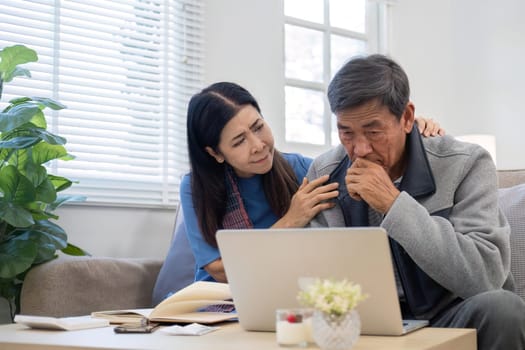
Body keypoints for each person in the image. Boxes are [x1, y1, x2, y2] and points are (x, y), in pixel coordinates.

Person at [305, 54, 525, 349]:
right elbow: (312, 276)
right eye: (346, 132)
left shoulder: (466, 163)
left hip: (449, 317)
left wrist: (395, 205)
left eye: (373, 131)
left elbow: (485, 276)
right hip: (365, 328)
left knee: (503, 310)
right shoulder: (325, 172)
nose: (359, 149)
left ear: (407, 117)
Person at [181, 81, 444, 283]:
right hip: (215, 303)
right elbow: (219, 270)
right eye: (239, 141)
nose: (258, 145)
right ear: (214, 153)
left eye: (259, 127)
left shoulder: (298, 169)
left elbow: (352, 163)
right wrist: (290, 221)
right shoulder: (195, 188)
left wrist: (405, 132)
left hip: (280, 293)